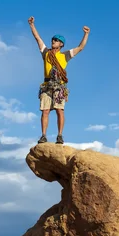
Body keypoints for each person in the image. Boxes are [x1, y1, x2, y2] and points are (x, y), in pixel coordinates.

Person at [28, 16, 90, 144]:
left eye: (56, 40)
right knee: (45, 111)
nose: (53, 41)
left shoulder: (65, 55)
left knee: (59, 110)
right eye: (52, 40)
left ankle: (59, 136)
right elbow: (38, 39)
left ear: (61, 44)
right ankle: (43, 135)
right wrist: (32, 25)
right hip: (46, 85)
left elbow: (80, 48)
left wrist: (86, 34)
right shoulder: (46, 53)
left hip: (59, 86)